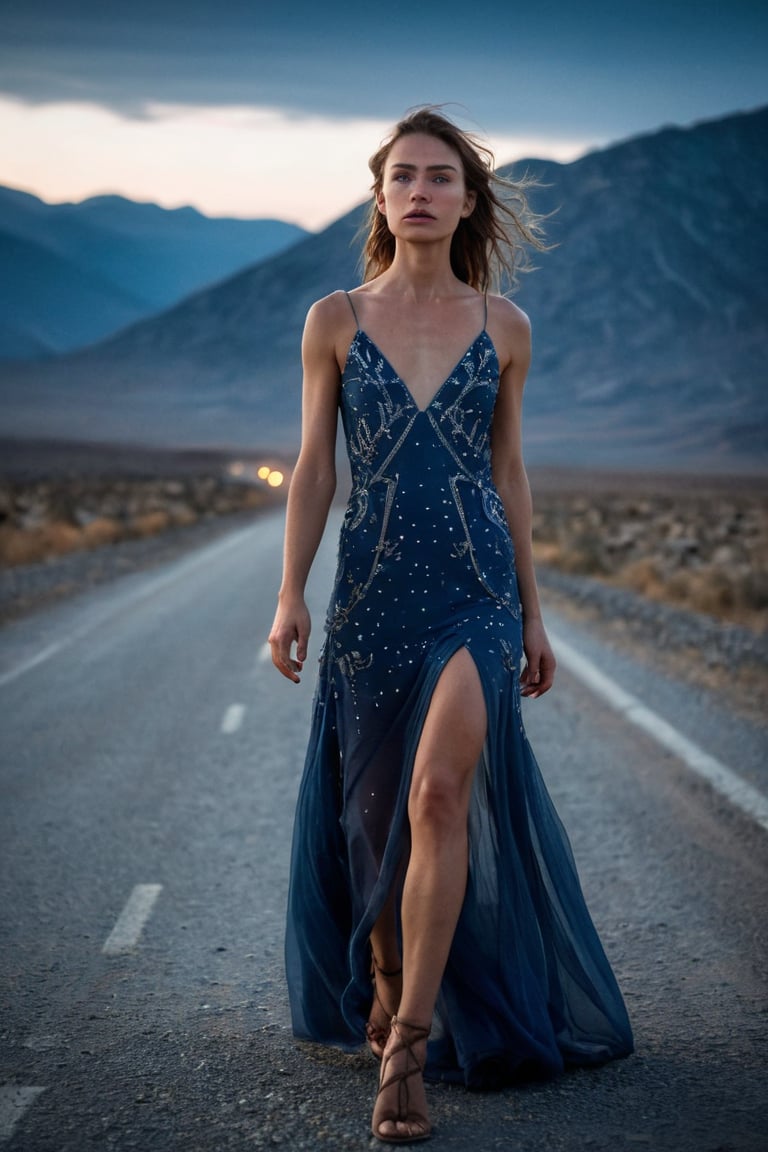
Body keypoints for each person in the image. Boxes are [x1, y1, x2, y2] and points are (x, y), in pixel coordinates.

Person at [269, 107, 633, 1145]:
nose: (420, 190)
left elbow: (510, 473)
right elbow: (313, 468)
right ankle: (384, 980)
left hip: (473, 594)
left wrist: (535, 614)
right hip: (372, 595)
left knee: (438, 795)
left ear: (469, 200)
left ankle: (408, 1051)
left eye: (441, 176)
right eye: (402, 176)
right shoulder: (332, 318)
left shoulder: (505, 327)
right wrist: (290, 594)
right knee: (376, 821)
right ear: (380, 198)